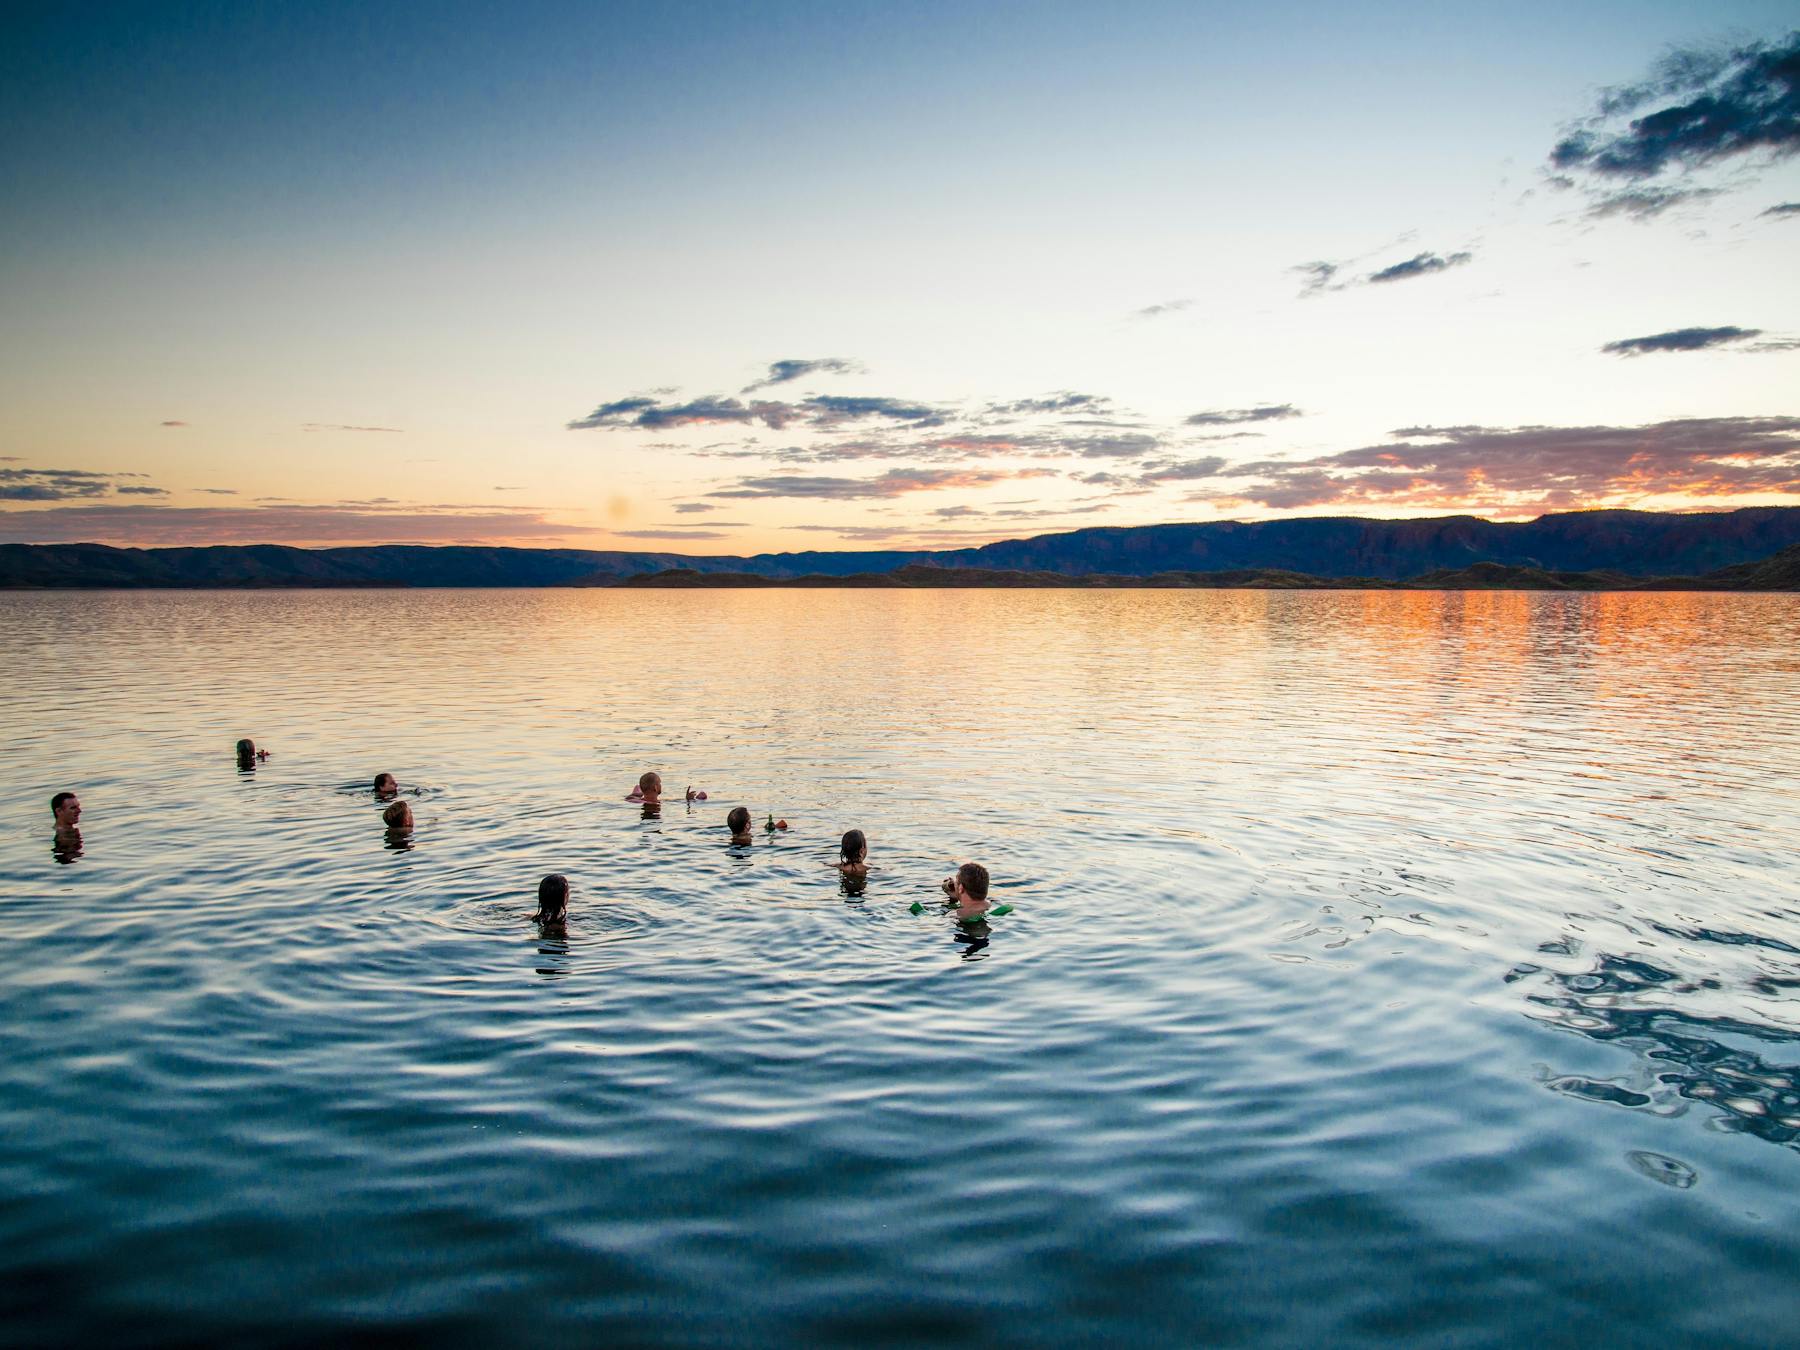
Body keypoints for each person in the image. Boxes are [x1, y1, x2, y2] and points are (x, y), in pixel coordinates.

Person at [50, 791, 83, 860]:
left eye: (78, 806)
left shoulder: (67, 831)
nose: (79, 811)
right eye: (73, 808)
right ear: (59, 811)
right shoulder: (63, 836)